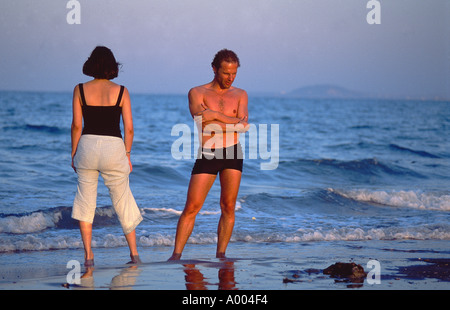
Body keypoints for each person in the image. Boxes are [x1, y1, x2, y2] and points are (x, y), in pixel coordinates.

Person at [169, 49, 249, 260]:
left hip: (233, 152)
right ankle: (176, 255)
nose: (230, 78)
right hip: (208, 152)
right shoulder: (197, 92)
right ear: (214, 69)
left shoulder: (241, 94)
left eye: (234, 73)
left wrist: (213, 115)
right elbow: (202, 124)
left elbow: (243, 128)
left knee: (228, 206)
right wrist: (232, 122)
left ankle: (221, 255)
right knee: (192, 206)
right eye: (226, 73)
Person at [71, 46, 143, 266]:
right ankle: (134, 255)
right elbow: (129, 129)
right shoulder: (122, 91)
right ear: (112, 66)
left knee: (85, 201)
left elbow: (76, 125)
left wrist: (73, 153)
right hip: (114, 148)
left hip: (87, 146)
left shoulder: (80, 89)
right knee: (123, 200)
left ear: (92, 64)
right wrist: (127, 154)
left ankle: (89, 257)